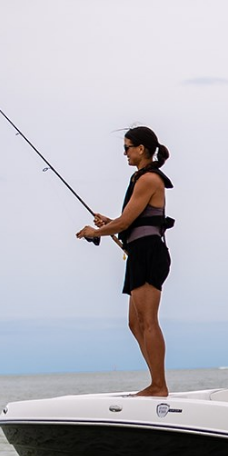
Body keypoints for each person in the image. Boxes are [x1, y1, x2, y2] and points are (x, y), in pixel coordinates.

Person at [77, 126, 174, 397]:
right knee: (135, 323)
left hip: (149, 253)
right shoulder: (140, 178)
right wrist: (109, 222)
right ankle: (155, 381)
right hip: (139, 252)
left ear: (141, 149)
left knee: (148, 321)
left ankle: (159, 385)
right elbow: (130, 221)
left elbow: (126, 222)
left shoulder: (149, 179)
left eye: (127, 147)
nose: (124, 153)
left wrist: (95, 232)